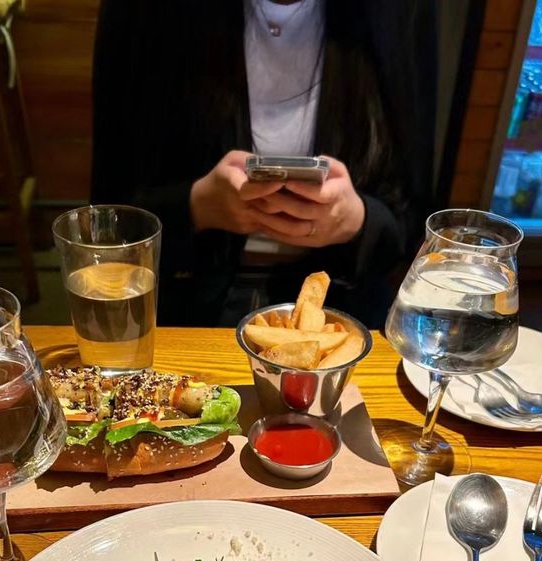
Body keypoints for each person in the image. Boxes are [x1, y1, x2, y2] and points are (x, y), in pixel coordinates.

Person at [91, 0, 437, 328]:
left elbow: (411, 228)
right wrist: (198, 207)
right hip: (181, 302)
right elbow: (106, 224)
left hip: (341, 309)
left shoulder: (401, 13)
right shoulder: (143, 12)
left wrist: (356, 221)